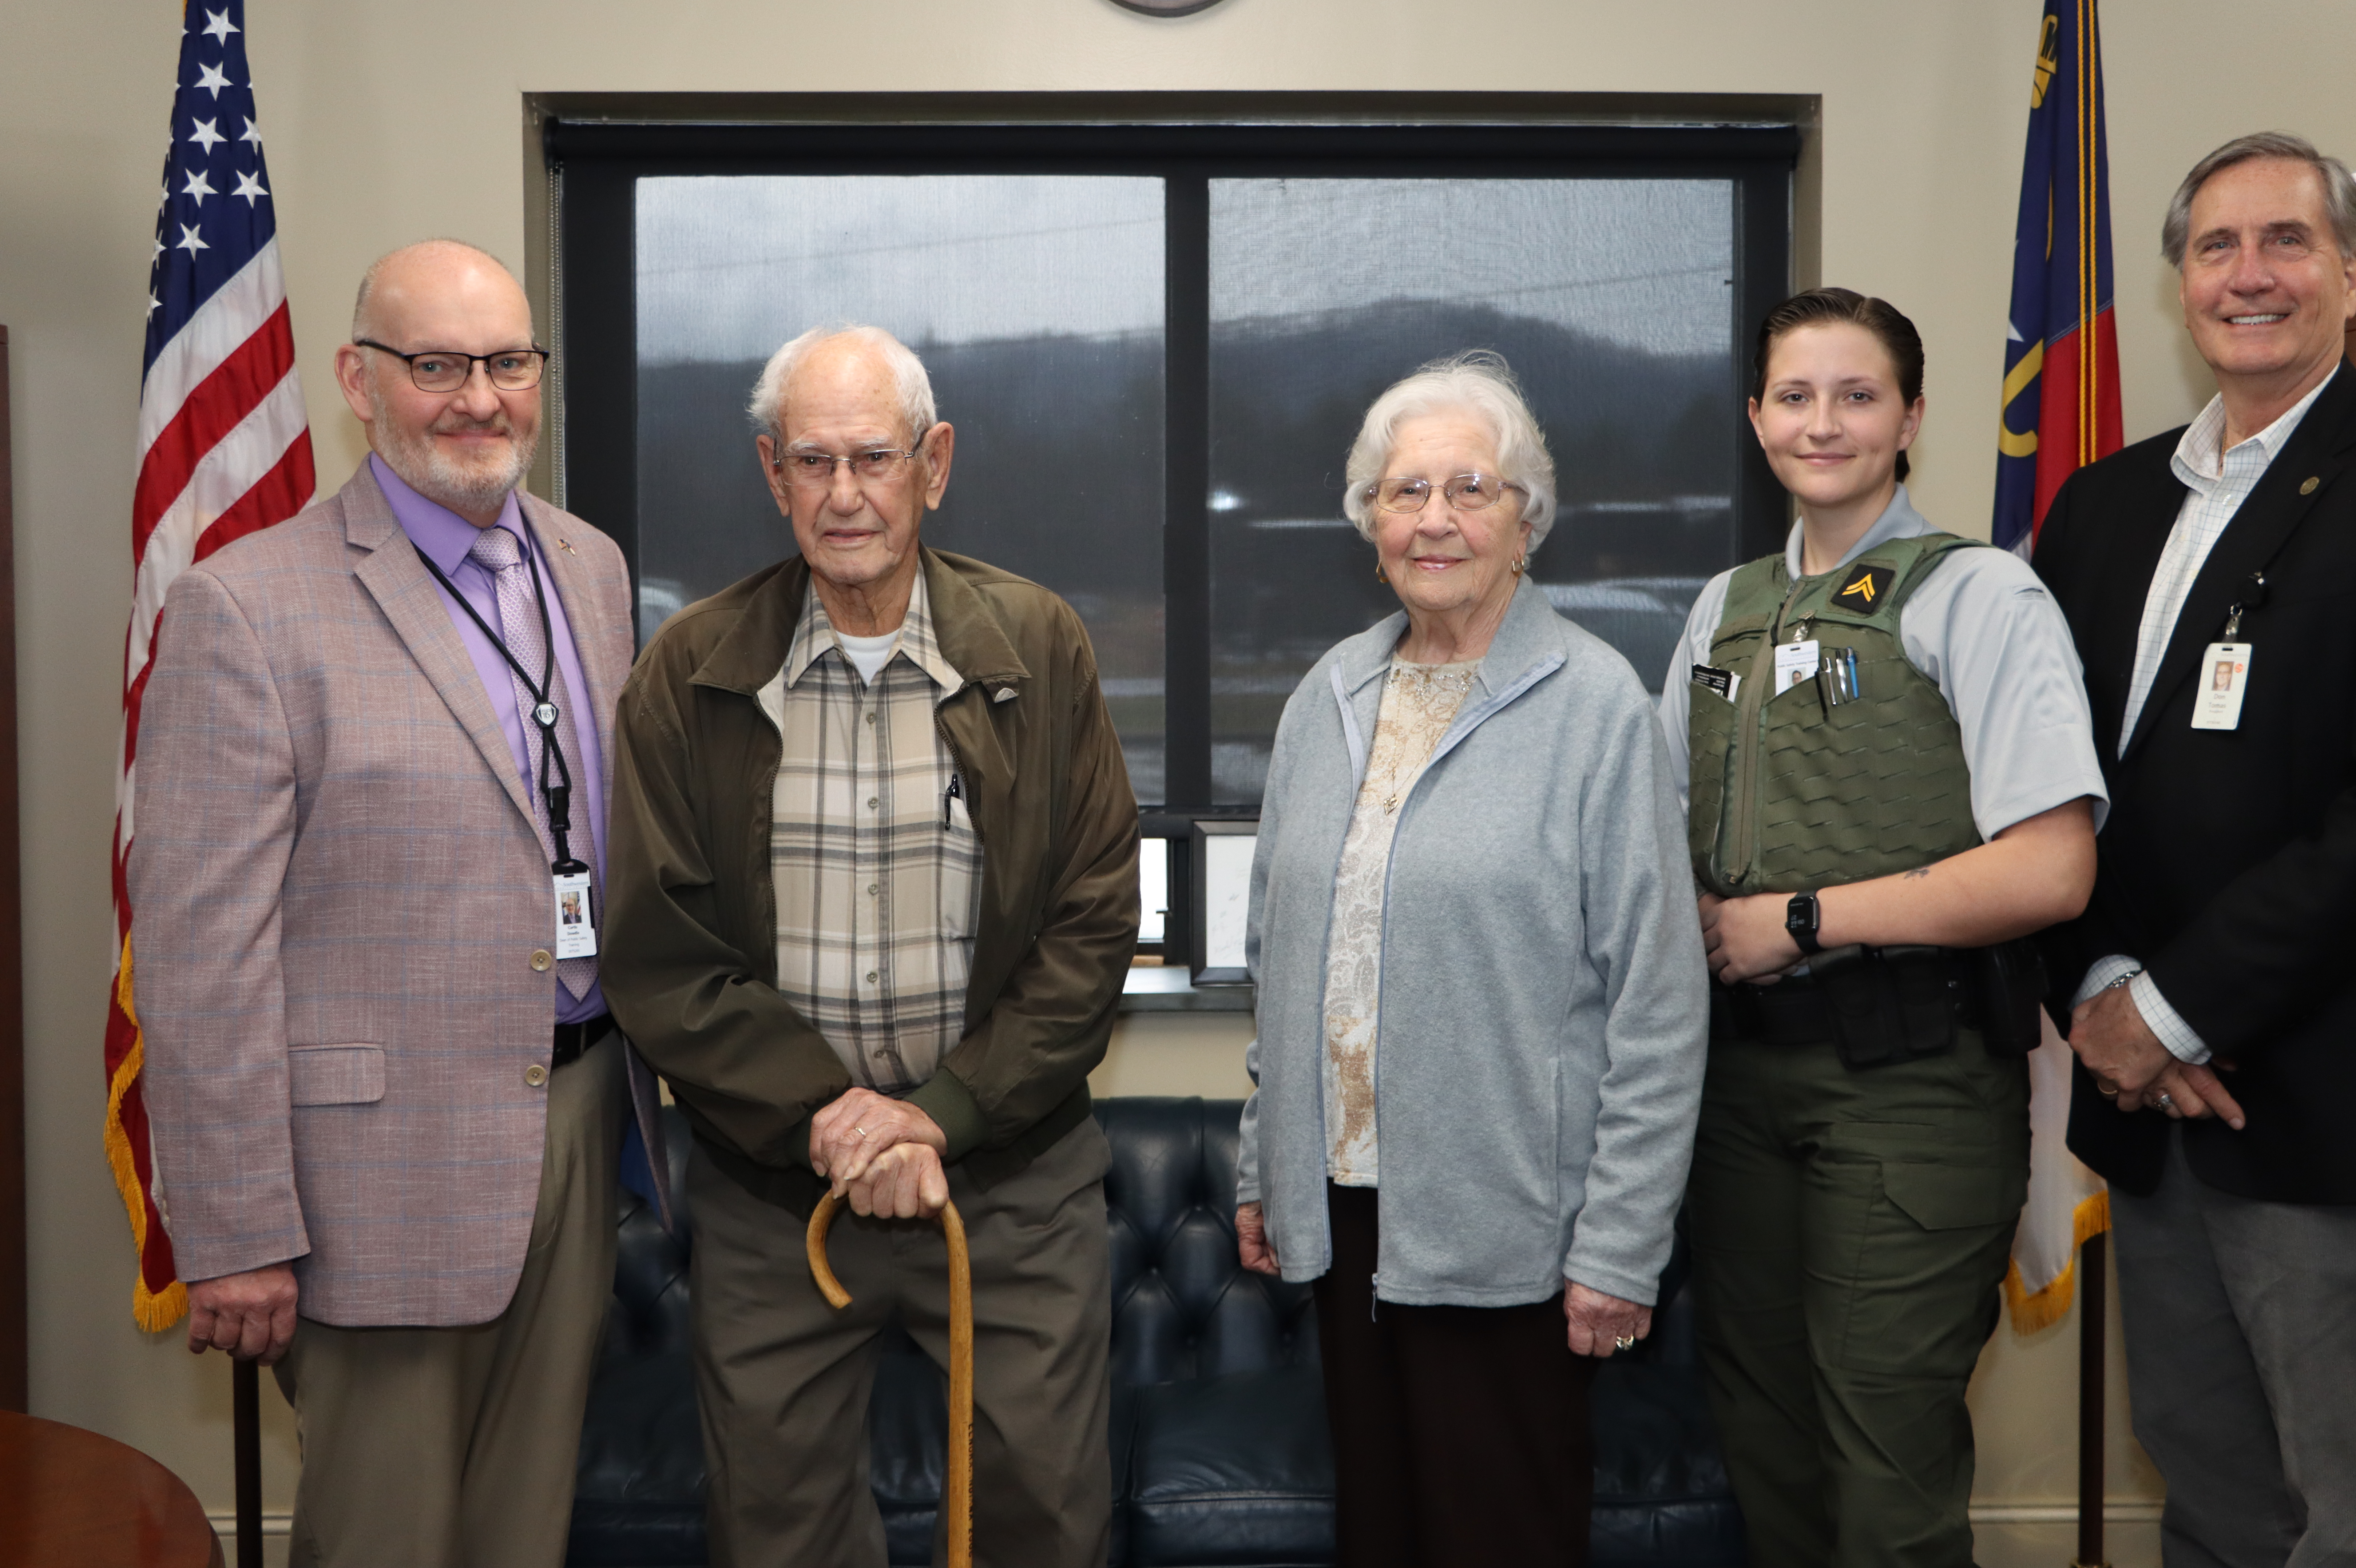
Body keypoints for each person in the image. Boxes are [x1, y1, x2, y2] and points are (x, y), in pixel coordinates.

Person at [130, 238, 668, 1568]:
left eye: (507, 362)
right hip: (373, 1172)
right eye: (436, 365)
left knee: (521, 1529)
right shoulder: (246, 608)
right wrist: (239, 1232)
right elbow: (202, 955)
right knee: (388, 1539)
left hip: (585, 1109)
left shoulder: (589, 568)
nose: (479, 398)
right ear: (358, 383)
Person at [2036, 131, 2356, 1568]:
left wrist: (2171, 1007)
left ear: (2353, 270)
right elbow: (2048, 788)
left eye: (2287, 242)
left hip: (2335, 1089)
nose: (2250, 275)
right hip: (2147, 1100)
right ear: (2180, 278)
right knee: (2212, 1495)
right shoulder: (2103, 505)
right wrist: (2110, 983)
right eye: (2216, 247)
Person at [603, 323, 1139, 1568]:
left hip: (1009, 1190)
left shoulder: (1038, 643)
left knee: (1046, 1527)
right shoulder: (690, 671)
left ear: (933, 464)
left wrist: (944, 1110)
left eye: (875, 458)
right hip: (776, 1198)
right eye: (813, 461)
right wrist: (829, 1116)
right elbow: (662, 951)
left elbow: (1092, 917)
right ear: (771, 474)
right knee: (776, 1536)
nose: (845, 494)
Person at [1233, 351, 1706, 1568]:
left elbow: (1659, 1001)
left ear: (1525, 519)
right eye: (1405, 492)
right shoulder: (1326, 695)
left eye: (1470, 489)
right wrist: (1262, 1168)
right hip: (1342, 1215)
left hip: (1512, 1235)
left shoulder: (1598, 707)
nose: (1434, 518)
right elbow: (1278, 958)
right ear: (1368, 521)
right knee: (1379, 1539)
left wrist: (1617, 1250)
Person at [1656, 287, 2103, 1568]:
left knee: (1885, 1480)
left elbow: (2052, 867)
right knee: (1770, 1456)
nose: (1824, 422)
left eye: (1858, 396)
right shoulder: (1723, 608)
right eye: (1795, 396)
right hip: (1736, 1090)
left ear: (1911, 417)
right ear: (1755, 418)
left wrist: (1798, 920)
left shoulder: (1977, 596)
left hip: (1905, 1085)